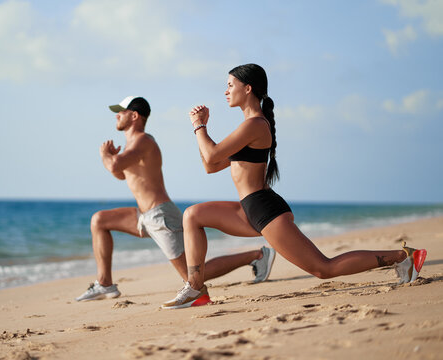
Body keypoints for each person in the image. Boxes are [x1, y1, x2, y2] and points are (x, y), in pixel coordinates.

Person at [161, 64, 427, 309]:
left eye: (230, 85)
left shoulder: (255, 124)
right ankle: (196, 289)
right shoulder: (248, 126)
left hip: (264, 209)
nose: (226, 90)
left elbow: (210, 155)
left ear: (248, 88)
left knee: (324, 269)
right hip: (249, 207)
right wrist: (202, 132)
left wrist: (199, 125)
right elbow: (211, 165)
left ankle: (403, 257)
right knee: (192, 215)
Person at [76, 96, 276, 302]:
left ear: (134, 116)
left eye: (121, 111)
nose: (117, 115)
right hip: (143, 216)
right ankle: (105, 284)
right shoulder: (130, 147)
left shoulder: (143, 141)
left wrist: (105, 155)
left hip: (160, 216)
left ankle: (257, 255)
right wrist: (112, 158)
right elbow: (120, 173)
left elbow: (115, 167)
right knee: (99, 220)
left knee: (194, 274)